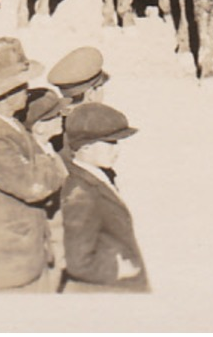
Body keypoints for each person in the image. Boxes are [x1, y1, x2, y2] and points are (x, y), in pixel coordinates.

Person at [0, 37, 67, 292]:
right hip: (11, 267)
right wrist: (48, 156)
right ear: (6, 93)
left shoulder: (4, 122)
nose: (27, 91)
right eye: (23, 85)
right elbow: (35, 186)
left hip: (26, 254)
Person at [59, 103, 149, 293]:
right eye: (110, 144)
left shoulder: (99, 177)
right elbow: (77, 261)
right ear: (86, 147)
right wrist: (117, 269)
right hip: (108, 290)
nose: (117, 151)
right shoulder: (80, 192)